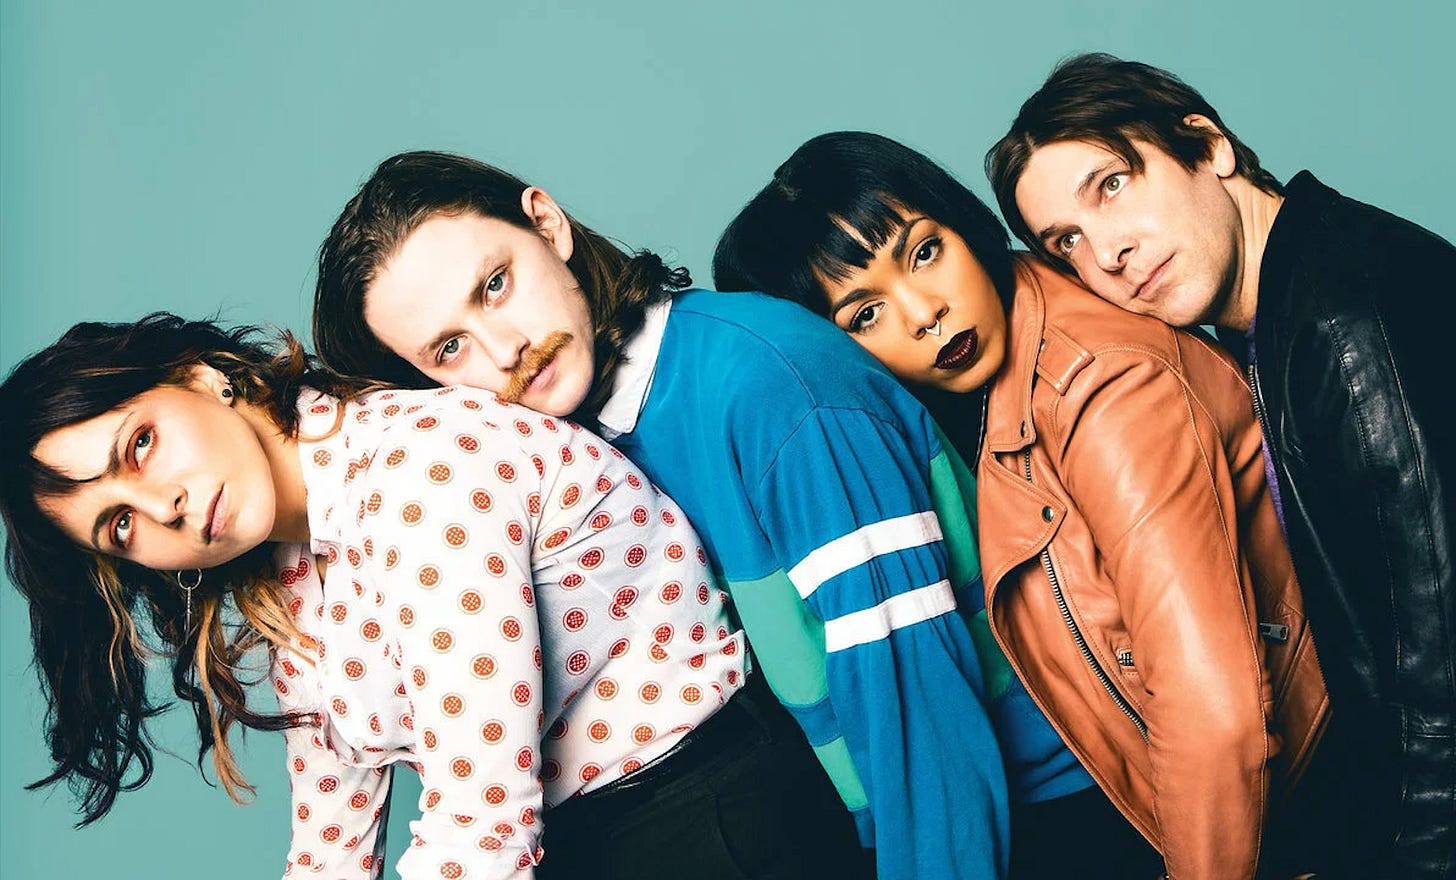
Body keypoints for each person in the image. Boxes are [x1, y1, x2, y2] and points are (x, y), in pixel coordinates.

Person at [312, 150, 1101, 879]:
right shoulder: (583, 446)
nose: (503, 346)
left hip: (1036, 821)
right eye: (449, 349)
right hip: (893, 830)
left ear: (548, 226)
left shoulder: (765, 385)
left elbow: (919, 709)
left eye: (495, 285)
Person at [0, 313, 873, 880]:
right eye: (120, 525)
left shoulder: (421, 470)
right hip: (577, 848)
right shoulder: (293, 571)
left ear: (201, 379)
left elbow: (481, 820)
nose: (164, 508)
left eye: (140, 445)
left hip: (715, 824)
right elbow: (331, 842)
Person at [712, 130, 1330, 880]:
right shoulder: (929, 415)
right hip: (1111, 801)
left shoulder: (1103, 386)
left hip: (1239, 818)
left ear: (962, 222)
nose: (924, 312)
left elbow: (1214, 714)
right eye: (864, 315)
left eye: (924, 252)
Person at [987, 53, 1456, 878]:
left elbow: (1440, 663)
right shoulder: (1276, 317)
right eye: (1068, 241)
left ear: (1209, 146)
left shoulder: (1347, 324)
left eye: (1112, 185)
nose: (1109, 252)